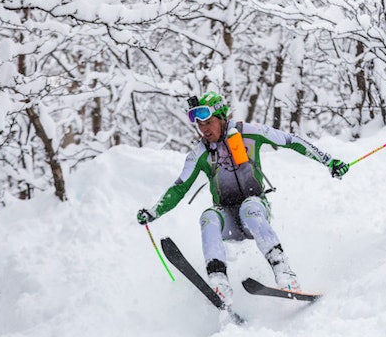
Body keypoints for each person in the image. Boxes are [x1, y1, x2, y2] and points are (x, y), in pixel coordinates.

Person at [137, 91, 348, 310]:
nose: (205, 130)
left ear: (221, 117)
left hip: (255, 209)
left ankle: (285, 273)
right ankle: (219, 282)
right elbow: (179, 188)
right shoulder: (199, 153)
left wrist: (329, 161)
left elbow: (291, 141)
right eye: (200, 125)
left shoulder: (249, 133)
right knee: (208, 217)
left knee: (250, 207)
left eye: (209, 122)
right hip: (227, 216)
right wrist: (154, 211)